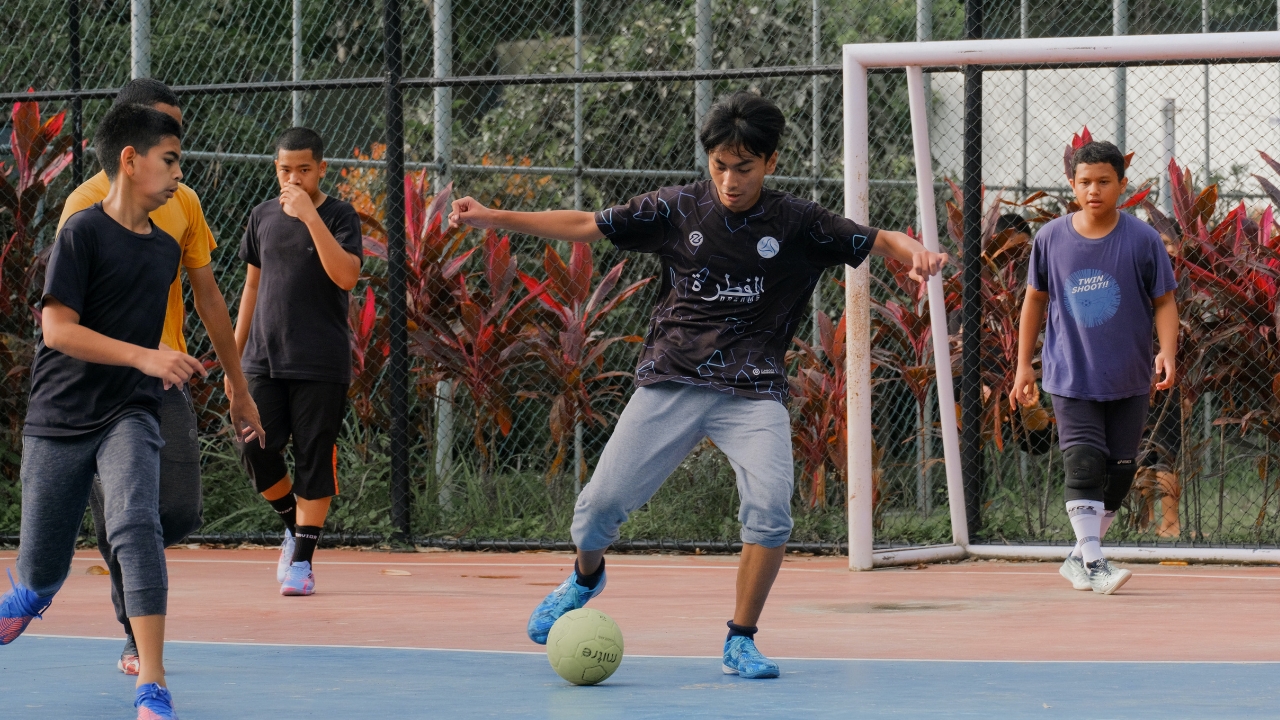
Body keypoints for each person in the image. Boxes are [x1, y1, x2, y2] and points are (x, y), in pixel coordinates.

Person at [449, 91, 947, 678]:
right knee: (598, 509)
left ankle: (741, 639)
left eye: (745, 167)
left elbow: (880, 238)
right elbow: (586, 224)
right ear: (708, 160)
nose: (731, 180)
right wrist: (491, 216)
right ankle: (586, 576)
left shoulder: (797, 222)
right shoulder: (675, 209)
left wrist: (914, 248)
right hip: (673, 379)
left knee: (769, 510)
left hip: (753, 389)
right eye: (720, 166)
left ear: (771, 163)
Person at [0, 103, 211, 720]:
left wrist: (156, 366)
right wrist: (146, 355)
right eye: (169, 161)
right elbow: (59, 330)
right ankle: (26, 599)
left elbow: (143, 345)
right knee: (42, 571)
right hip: (61, 415)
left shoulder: (164, 251)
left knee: (136, 524)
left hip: (129, 411)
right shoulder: (81, 233)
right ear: (130, 160)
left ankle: (153, 683)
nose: (178, 174)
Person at [56, 77, 265, 676]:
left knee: (175, 512)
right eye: (164, 134)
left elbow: (210, 298)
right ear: (131, 140)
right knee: (131, 517)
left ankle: (127, 551)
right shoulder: (82, 208)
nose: (175, 147)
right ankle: (136, 634)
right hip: (100, 385)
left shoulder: (185, 203)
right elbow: (66, 318)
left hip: (164, 374)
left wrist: (238, 385)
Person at [1010, 140, 1178, 595]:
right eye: (1084, 182)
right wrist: (1024, 365)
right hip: (1070, 375)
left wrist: (1167, 351)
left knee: (1119, 472)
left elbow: (1164, 301)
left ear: (1122, 185)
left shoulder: (1142, 240)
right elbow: (1034, 301)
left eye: (1104, 181)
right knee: (1083, 464)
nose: (1094, 190)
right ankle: (1096, 563)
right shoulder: (1050, 239)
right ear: (1071, 185)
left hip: (1128, 375)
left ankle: (1078, 556)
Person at [232, 127, 362, 596]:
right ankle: (295, 528)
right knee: (254, 448)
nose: (294, 178)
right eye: (286, 169)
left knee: (313, 461)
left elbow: (346, 276)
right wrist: (233, 359)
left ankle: (302, 564)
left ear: (321, 169)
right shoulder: (261, 215)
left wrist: (311, 218)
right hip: (262, 360)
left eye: (304, 170)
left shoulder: (339, 215)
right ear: (276, 169)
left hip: (320, 363)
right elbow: (251, 286)